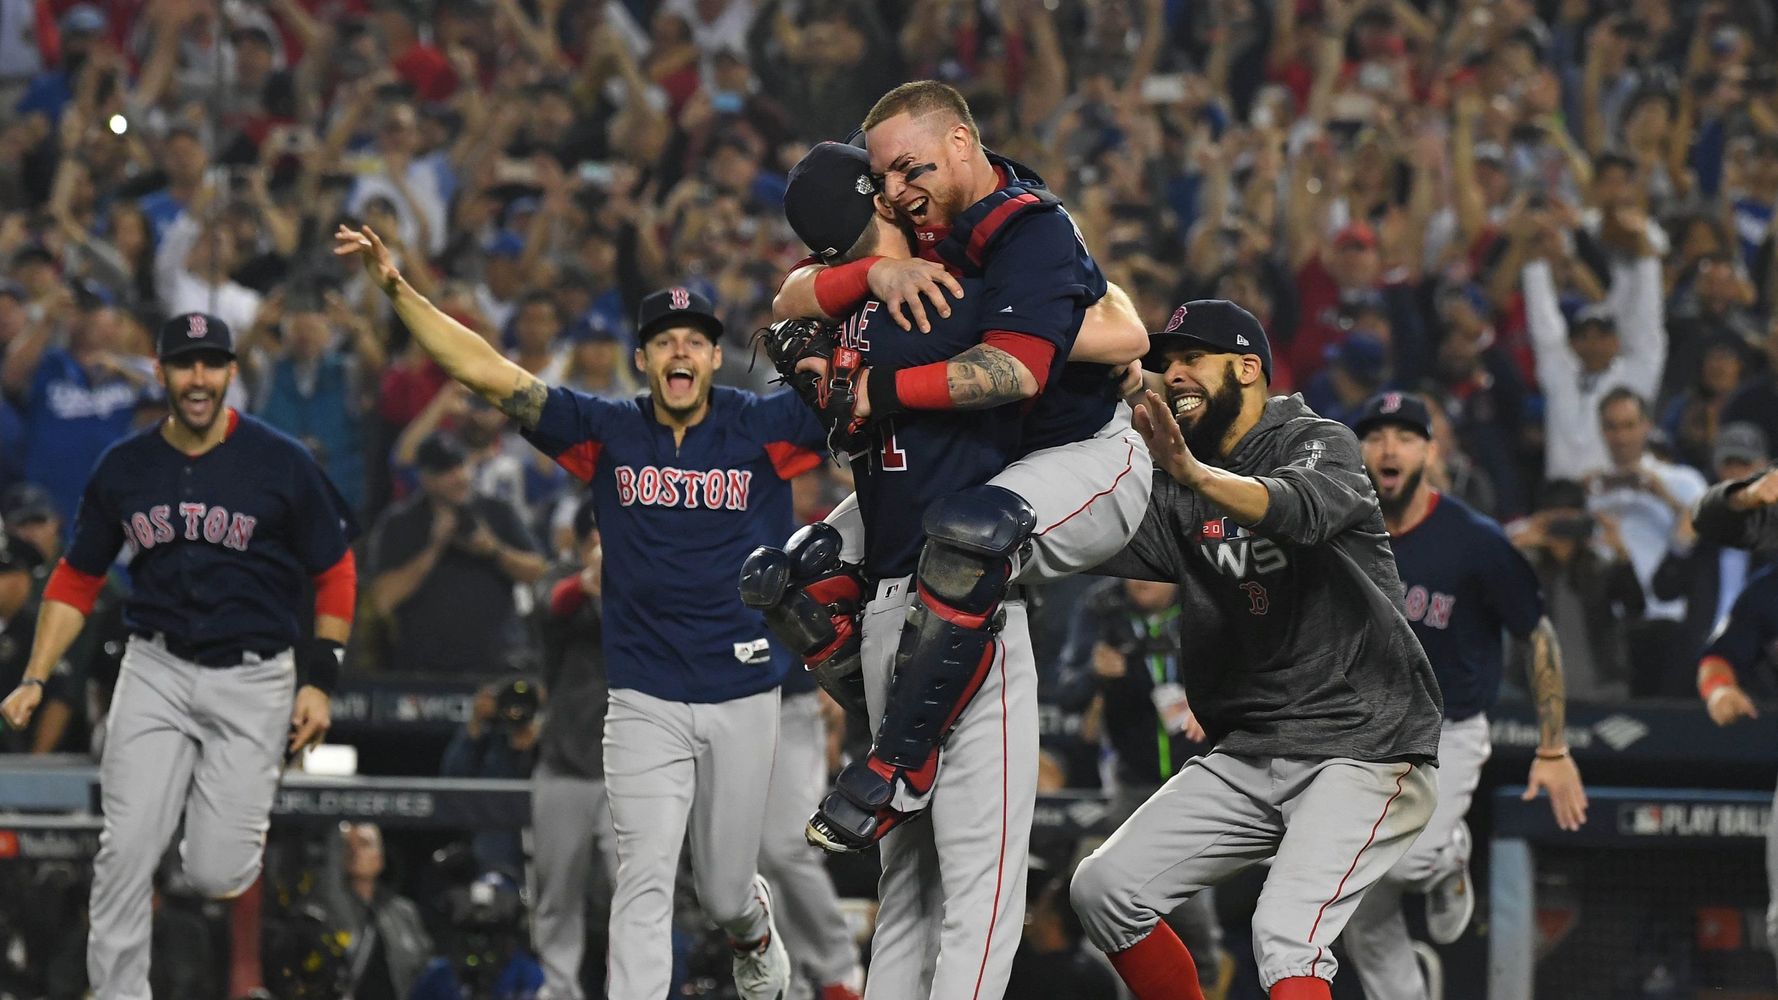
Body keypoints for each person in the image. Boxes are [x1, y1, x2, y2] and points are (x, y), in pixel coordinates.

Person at [337, 224, 825, 1000]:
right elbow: (488, 374)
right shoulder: (608, 431)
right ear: (643, 359)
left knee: (726, 889)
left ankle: (752, 926)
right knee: (643, 873)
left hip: (742, 689)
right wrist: (399, 291)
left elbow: (870, 404)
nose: (678, 355)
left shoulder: (760, 427)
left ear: (712, 355)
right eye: (664, 342)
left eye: (693, 342)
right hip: (641, 696)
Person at [749, 132, 1147, 998]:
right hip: (965, 614)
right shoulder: (952, 298)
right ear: (879, 204)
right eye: (887, 183)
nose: (903, 188)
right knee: (983, 889)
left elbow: (785, 308)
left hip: (890, 601)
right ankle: (900, 756)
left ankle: (889, 746)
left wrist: (819, 328)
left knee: (909, 896)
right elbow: (1119, 332)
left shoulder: (834, 321)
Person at [1068, 300, 1442, 1000]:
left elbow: (1299, 509)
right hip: (1254, 747)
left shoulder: (1316, 438)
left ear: (1248, 368)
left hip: (1362, 747)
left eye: (1190, 360)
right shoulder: (1181, 480)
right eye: (1164, 364)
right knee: (1105, 889)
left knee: (1285, 936)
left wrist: (1191, 473)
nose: (1171, 374)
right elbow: (1092, 536)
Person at [0, 311, 356, 999]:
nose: (199, 378)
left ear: (229, 372)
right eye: (185, 364)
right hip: (156, 667)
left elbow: (334, 569)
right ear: (160, 371)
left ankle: (202, 810)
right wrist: (36, 675)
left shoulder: (280, 460)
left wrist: (322, 677)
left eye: (212, 363)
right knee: (123, 852)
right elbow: (77, 577)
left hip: (256, 676)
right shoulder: (126, 466)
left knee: (217, 872)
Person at [1343, 391, 1589, 1000]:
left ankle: (1450, 855)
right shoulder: (1341, 528)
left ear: (1430, 451)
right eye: (1375, 436)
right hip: (1359, 730)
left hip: (1446, 731)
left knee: (1406, 863)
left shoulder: (1475, 540)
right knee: (1352, 897)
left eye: (1405, 436)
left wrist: (1553, 747)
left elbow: (1538, 635)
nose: (1389, 447)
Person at [1052, 577, 1231, 995]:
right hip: (1130, 786)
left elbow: (1253, 670)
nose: (1138, 577)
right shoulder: (1101, 607)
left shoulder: (1206, 596)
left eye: (1151, 568)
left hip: (1203, 779)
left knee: (1192, 917)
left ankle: (1205, 983)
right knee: (1108, 902)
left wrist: (1216, 703)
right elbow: (1065, 693)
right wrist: (1093, 674)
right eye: (1132, 567)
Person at [365, 431, 547, 676]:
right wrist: (434, 547)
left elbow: (538, 571)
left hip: (496, 664)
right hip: (423, 672)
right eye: (447, 471)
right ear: (426, 478)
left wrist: (494, 550)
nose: (459, 477)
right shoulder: (400, 523)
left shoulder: (495, 512)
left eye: (461, 465)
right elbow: (382, 600)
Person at [530, 499, 619, 1000]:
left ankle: (631, 988)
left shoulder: (649, 578)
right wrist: (586, 582)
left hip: (627, 769)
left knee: (634, 892)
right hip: (565, 761)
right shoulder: (561, 577)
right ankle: (559, 990)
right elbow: (551, 604)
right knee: (557, 892)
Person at [319, 822, 437, 1000]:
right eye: (347, 846)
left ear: (379, 858)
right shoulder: (328, 909)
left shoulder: (403, 912)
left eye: (364, 844)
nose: (355, 852)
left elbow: (425, 967)